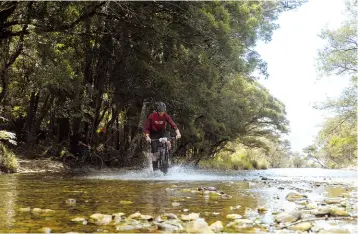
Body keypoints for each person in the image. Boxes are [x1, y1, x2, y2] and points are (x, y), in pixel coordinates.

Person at [144, 102, 181, 170]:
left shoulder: (165, 115)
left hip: (162, 132)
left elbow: (173, 124)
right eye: (160, 112)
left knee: (168, 140)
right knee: (155, 153)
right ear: (157, 111)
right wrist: (148, 137)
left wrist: (178, 133)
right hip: (153, 134)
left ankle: (167, 155)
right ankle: (155, 169)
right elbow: (147, 128)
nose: (162, 113)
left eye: (163, 112)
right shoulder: (151, 116)